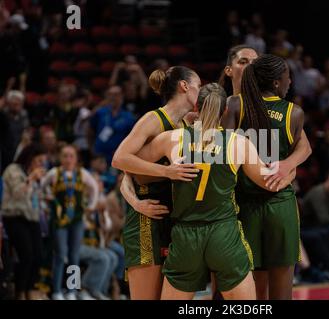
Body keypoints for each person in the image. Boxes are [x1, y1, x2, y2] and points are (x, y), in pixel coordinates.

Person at [134, 83, 291, 299]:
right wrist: (290, 169)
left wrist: (166, 171)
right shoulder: (238, 143)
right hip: (223, 232)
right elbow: (270, 183)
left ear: (196, 107)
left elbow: (132, 167)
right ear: (225, 110)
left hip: (185, 236)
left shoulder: (172, 138)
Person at [221, 54, 312, 299]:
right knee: (282, 284)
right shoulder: (294, 113)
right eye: (287, 78)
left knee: (250, 285)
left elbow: (221, 153)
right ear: (275, 83)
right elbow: (303, 148)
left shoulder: (236, 104)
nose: (290, 82)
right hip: (279, 201)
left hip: (244, 202)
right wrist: (288, 166)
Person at [112, 66, 201, 300]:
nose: (200, 92)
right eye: (198, 86)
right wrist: (137, 202)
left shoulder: (186, 126)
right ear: (184, 86)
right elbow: (120, 161)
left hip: (171, 218)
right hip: (145, 217)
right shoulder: (153, 119)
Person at [40, 145, 99, 300]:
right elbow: (41, 188)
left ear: (76, 158)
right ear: (60, 158)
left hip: (77, 220)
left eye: (71, 156)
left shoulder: (82, 173)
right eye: (65, 156)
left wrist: (92, 206)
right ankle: (57, 290)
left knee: (74, 255)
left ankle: (72, 290)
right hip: (59, 221)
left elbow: (95, 188)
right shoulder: (54, 173)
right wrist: (45, 205)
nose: (68, 159)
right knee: (60, 254)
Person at [1, 145, 47, 300]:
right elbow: (17, 193)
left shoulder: (33, 174)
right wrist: (31, 178)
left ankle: (30, 289)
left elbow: (36, 198)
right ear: (30, 157)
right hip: (14, 217)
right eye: (39, 161)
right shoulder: (13, 170)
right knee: (26, 255)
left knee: (39, 255)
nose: (41, 165)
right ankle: (20, 291)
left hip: (32, 218)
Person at [89, 85, 136, 165]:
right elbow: (90, 130)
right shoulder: (100, 112)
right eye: (110, 94)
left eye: (116, 94)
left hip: (118, 157)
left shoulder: (128, 117)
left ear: (122, 96)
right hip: (99, 156)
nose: (112, 97)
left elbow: (133, 138)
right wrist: (92, 149)